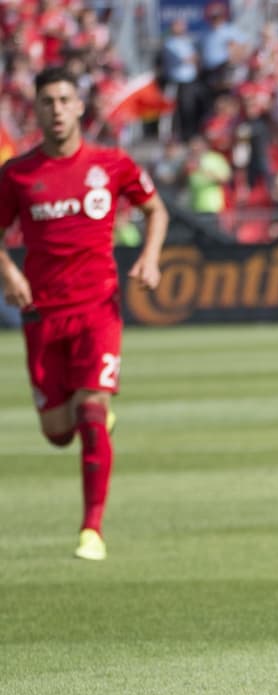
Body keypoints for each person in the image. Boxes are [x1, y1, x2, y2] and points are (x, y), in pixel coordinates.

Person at [0, 67, 168, 561]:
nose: (56, 109)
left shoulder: (110, 163)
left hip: (98, 307)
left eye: (64, 100)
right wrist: (9, 273)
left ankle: (91, 529)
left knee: (91, 412)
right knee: (58, 432)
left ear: (78, 106)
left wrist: (151, 257)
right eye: (47, 101)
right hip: (41, 313)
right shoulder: (17, 174)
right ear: (36, 109)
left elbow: (155, 209)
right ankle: (83, 418)